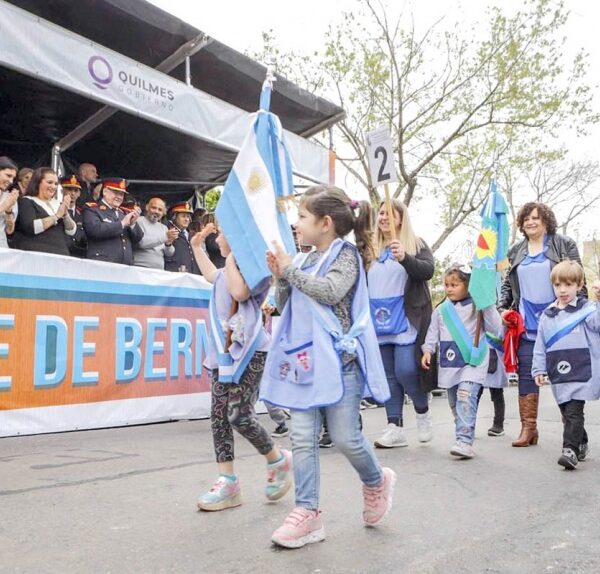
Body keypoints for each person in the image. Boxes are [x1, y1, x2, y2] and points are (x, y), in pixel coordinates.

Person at [261, 185, 396, 549]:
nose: (297, 223)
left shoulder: (346, 255)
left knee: (345, 438)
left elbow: (331, 292)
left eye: (303, 216)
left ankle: (375, 480)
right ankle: (307, 514)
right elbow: (286, 301)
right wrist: (281, 276)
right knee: (302, 437)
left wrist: (291, 272)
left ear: (325, 223)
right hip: (304, 363)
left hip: (339, 364)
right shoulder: (302, 259)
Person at [189, 222, 292, 512]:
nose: (217, 237)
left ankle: (277, 458)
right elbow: (213, 275)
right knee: (219, 415)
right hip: (223, 354)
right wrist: (197, 247)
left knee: (238, 414)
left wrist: (233, 257)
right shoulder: (225, 270)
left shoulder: (252, 269)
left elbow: (239, 293)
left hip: (250, 352)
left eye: (222, 233)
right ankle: (228, 481)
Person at [498, 202, 585, 448]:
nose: (530, 222)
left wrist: (579, 313)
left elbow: (577, 278)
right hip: (527, 322)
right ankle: (529, 428)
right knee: (527, 373)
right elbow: (507, 284)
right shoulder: (516, 250)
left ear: (546, 220)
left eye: (535, 217)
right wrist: (503, 309)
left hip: (559, 322)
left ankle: (573, 434)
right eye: (526, 218)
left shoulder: (562, 243)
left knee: (563, 375)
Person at [368, 199, 435, 448]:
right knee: (387, 376)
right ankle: (394, 426)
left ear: (400, 218)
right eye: (380, 213)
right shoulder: (370, 249)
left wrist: (405, 257)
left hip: (406, 318)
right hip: (377, 320)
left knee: (405, 370)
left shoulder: (415, 244)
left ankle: (422, 409)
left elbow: (428, 270)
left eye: (389, 214)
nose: (383, 217)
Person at [422, 264, 503, 459]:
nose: (449, 289)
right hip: (450, 363)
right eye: (447, 285)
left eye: (455, 284)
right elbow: (433, 332)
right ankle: (464, 430)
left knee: (465, 397)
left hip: (473, 361)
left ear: (468, 285)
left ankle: (464, 441)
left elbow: (496, 328)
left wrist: (487, 303)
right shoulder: (441, 310)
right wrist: (427, 350)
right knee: (454, 402)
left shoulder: (479, 306)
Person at [533, 260, 600, 469]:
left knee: (573, 410)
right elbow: (540, 344)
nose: (563, 290)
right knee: (566, 411)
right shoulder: (548, 314)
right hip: (559, 371)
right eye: (558, 285)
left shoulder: (587, 309)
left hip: (582, 369)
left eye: (569, 285)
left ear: (580, 286)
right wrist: (538, 368)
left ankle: (569, 450)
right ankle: (582, 441)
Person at [14, 167, 76, 256]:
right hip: (36, 254)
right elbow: (31, 227)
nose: (53, 186)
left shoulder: (58, 204)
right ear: (37, 182)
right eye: (49, 182)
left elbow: (71, 231)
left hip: (60, 254)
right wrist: (56, 216)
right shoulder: (26, 201)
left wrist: (65, 215)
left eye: (56, 183)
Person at [83, 178, 143, 265]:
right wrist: (122, 224)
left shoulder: (123, 212)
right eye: (116, 193)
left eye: (122, 194)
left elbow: (138, 239)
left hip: (125, 266)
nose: (119, 197)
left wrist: (132, 224)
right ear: (105, 192)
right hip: (101, 263)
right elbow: (95, 230)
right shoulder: (92, 209)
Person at [133, 197, 178, 269]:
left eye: (160, 210)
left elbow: (169, 253)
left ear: (163, 213)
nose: (156, 211)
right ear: (147, 207)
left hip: (158, 271)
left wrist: (168, 244)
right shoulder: (138, 221)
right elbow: (141, 243)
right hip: (140, 268)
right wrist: (165, 237)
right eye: (154, 208)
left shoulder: (164, 228)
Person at [164, 202, 200, 274]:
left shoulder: (189, 234)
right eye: (183, 216)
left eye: (188, 216)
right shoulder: (167, 230)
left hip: (192, 275)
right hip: (175, 275)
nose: (187, 219)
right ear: (174, 217)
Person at [60, 175, 87, 258]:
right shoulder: (56, 209)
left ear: (79, 193)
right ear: (62, 191)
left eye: (76, 190)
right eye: (69, 189)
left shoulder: (83, 213)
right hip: (61, 253)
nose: (72, 193)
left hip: (79, 255)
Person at [0, 156, 19, 248]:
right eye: (8, 175)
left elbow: (9, 230)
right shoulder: (8, 201)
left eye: (13, 178)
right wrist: (4, 206)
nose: (11, 181)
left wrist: (8, 211)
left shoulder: (9, 197)